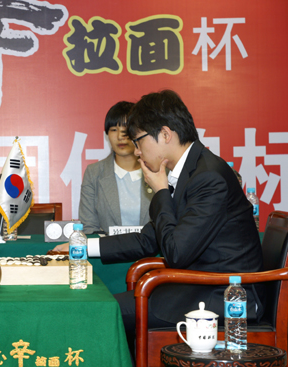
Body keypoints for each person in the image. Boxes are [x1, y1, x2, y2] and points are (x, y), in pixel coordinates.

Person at [55, 90, 264, 356]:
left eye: (139, 141)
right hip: (196, 286)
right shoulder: (190, 171)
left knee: (100, 311)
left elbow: (176, 252)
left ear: (166, 135)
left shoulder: (208, 177)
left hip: (225, 297)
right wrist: (84, 247)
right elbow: (148, 239)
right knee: (103, 305)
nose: (137, 151)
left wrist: (161, 192)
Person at [79, 101, 153, 235]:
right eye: (114, 130)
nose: (120, 137)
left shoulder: (159, 171)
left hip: (152, 254)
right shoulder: (94, 173)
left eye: (126, 130)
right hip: (108, 253)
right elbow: (89, 227)